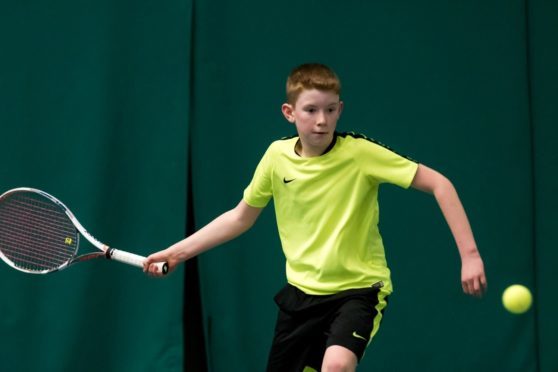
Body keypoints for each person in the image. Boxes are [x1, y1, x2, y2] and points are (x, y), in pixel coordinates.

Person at [144, 63, 487, 371]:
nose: (322, 120)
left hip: (359, 289)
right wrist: (176, 253)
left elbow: (440, 184)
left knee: (336, 365)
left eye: (330, 110)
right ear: (289, 112)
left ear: (340, 110)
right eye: (311, 110)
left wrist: (469, 256)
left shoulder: (360, 153)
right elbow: (239, 218)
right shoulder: (276, 158)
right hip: (301, 295)